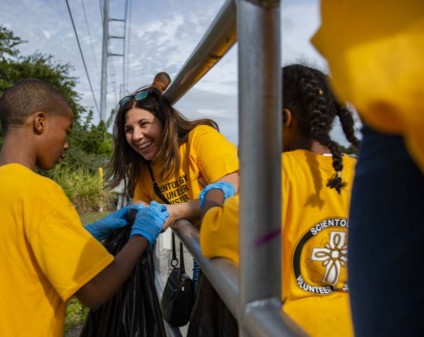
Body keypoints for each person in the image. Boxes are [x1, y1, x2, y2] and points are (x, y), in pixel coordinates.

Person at [0, 79, 168, 337]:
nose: (66, 144)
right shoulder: (39, 191)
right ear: (40, 122)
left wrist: (86, 233)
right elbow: (95, 291)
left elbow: (15, 250)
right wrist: (142, 235)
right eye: (67, 130)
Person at [199, 64, 359, 337]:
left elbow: (216, 235)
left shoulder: (274, 173)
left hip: (290, 328)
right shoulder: (358, 171)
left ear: (283, 119)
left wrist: (213, 198)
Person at [311, 1, 424, 336]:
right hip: (390, 90)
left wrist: (206, 208)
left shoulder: (276, 179)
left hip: (392, 77)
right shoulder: (348, 165)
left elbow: (237, 234)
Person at [106, 86, 239, 319]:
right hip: (206, 249)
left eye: (144, 124)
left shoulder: (200, 138)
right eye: (129, 129)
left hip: (244, 248)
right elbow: (141, 203)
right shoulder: (145, 167)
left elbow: (234, 185)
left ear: (165, 121)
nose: (136, 136)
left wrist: (178, 211)